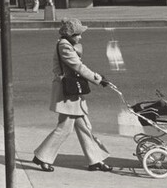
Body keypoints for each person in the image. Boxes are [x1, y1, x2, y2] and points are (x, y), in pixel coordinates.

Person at [32, 18, 114, 173]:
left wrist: (98, 78)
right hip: (67, 92)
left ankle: (95, 160)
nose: (80, 37)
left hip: (72, 92)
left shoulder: (68, 44)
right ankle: (42, 157)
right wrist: (98, 78)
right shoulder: (64, 46)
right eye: (78, 34)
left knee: (84, 127)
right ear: (70, 35)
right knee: (65, 128)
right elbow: (78, 67)